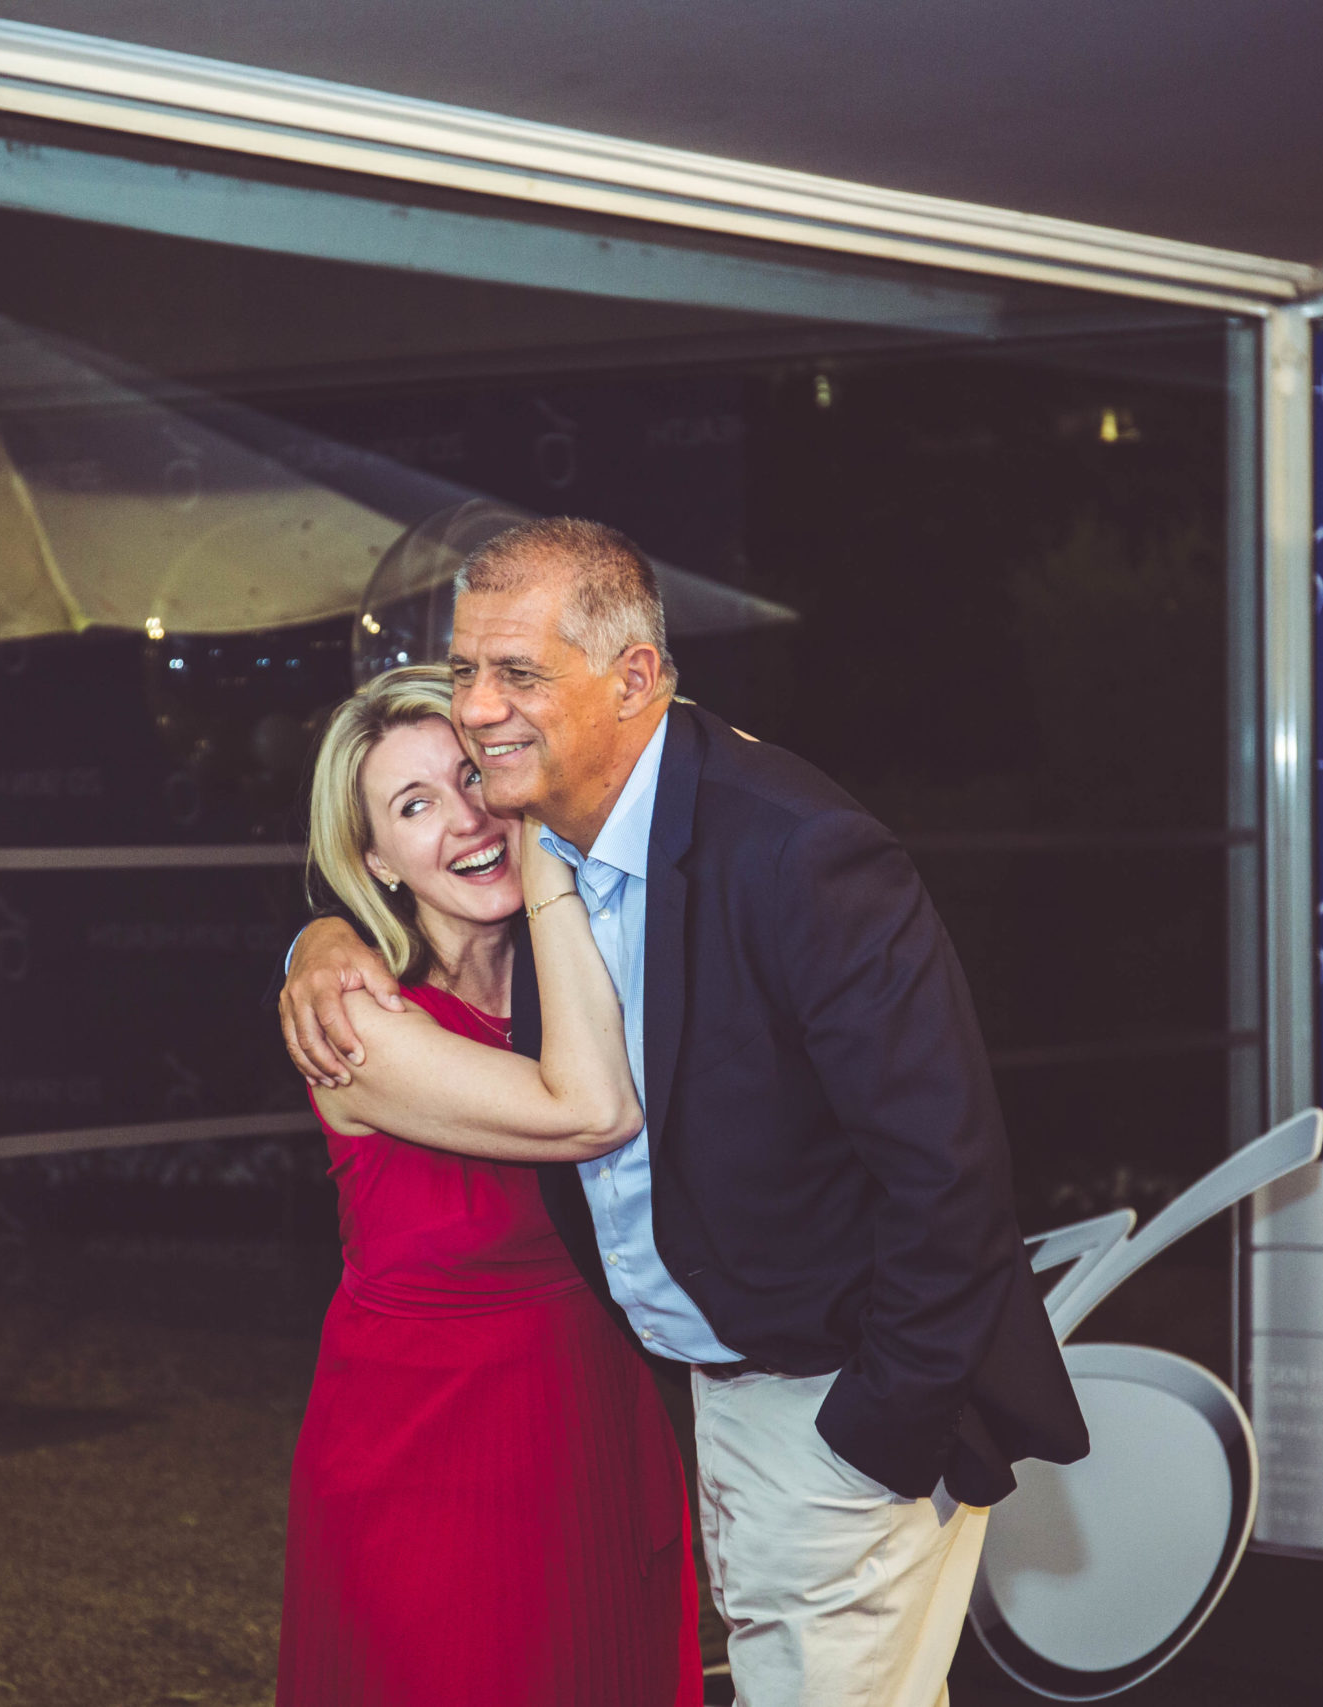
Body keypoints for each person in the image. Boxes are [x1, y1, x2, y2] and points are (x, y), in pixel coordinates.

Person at [281, 519, 1087, 1706]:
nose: (483, 722)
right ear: (374, 856)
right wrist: (319, 936)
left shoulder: (759, 853)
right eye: (466, 674)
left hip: (801, 1411)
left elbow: (945, 1172)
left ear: (634, 679)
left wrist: (878, 1431)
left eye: (515, 678)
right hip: (510, 1448)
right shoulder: (490, 927)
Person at [275, 664, 703, 1707]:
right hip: (425, 1472)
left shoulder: (584, 972)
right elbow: (590, 1110)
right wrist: (546, 848)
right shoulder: (361, 1022)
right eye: (413, 806)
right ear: (374, 860)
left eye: (474, 776)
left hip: (596, 1434)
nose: (466, 820)